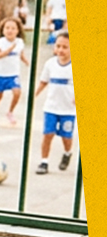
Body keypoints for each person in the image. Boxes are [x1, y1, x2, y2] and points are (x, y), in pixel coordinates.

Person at [35, 31, 76, 174]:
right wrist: (35, 94)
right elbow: (43, 81)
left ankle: (67, 152)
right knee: (48, 134)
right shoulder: (50, 64)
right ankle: (44, 162)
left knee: (66, 136)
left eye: (65, 47)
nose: (61, 50)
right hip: (51, 107)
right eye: (58, 46)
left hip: (68, 109)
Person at [0, 16, 29, 127]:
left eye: (13, 28)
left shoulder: (20, 42)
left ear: (18, 31)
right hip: (1, 74)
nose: (10, 30)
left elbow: (21, 55)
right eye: (7, 28)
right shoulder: (1, 42)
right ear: (3, 30)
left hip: (13, 73)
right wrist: (8, 50)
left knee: (17, 92)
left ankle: (10, 112)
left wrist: (27, 62)